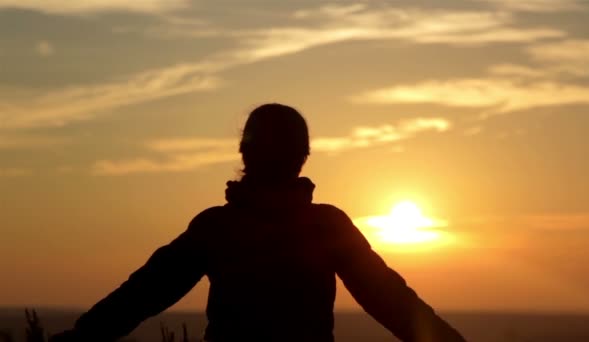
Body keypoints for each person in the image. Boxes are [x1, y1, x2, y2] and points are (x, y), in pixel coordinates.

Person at [50, 103, 466, 342]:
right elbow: (393, 302)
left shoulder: (218, 227)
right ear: (303, 156)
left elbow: (139, 296)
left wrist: (79, 339)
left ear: (242, 154)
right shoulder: (324, 227)